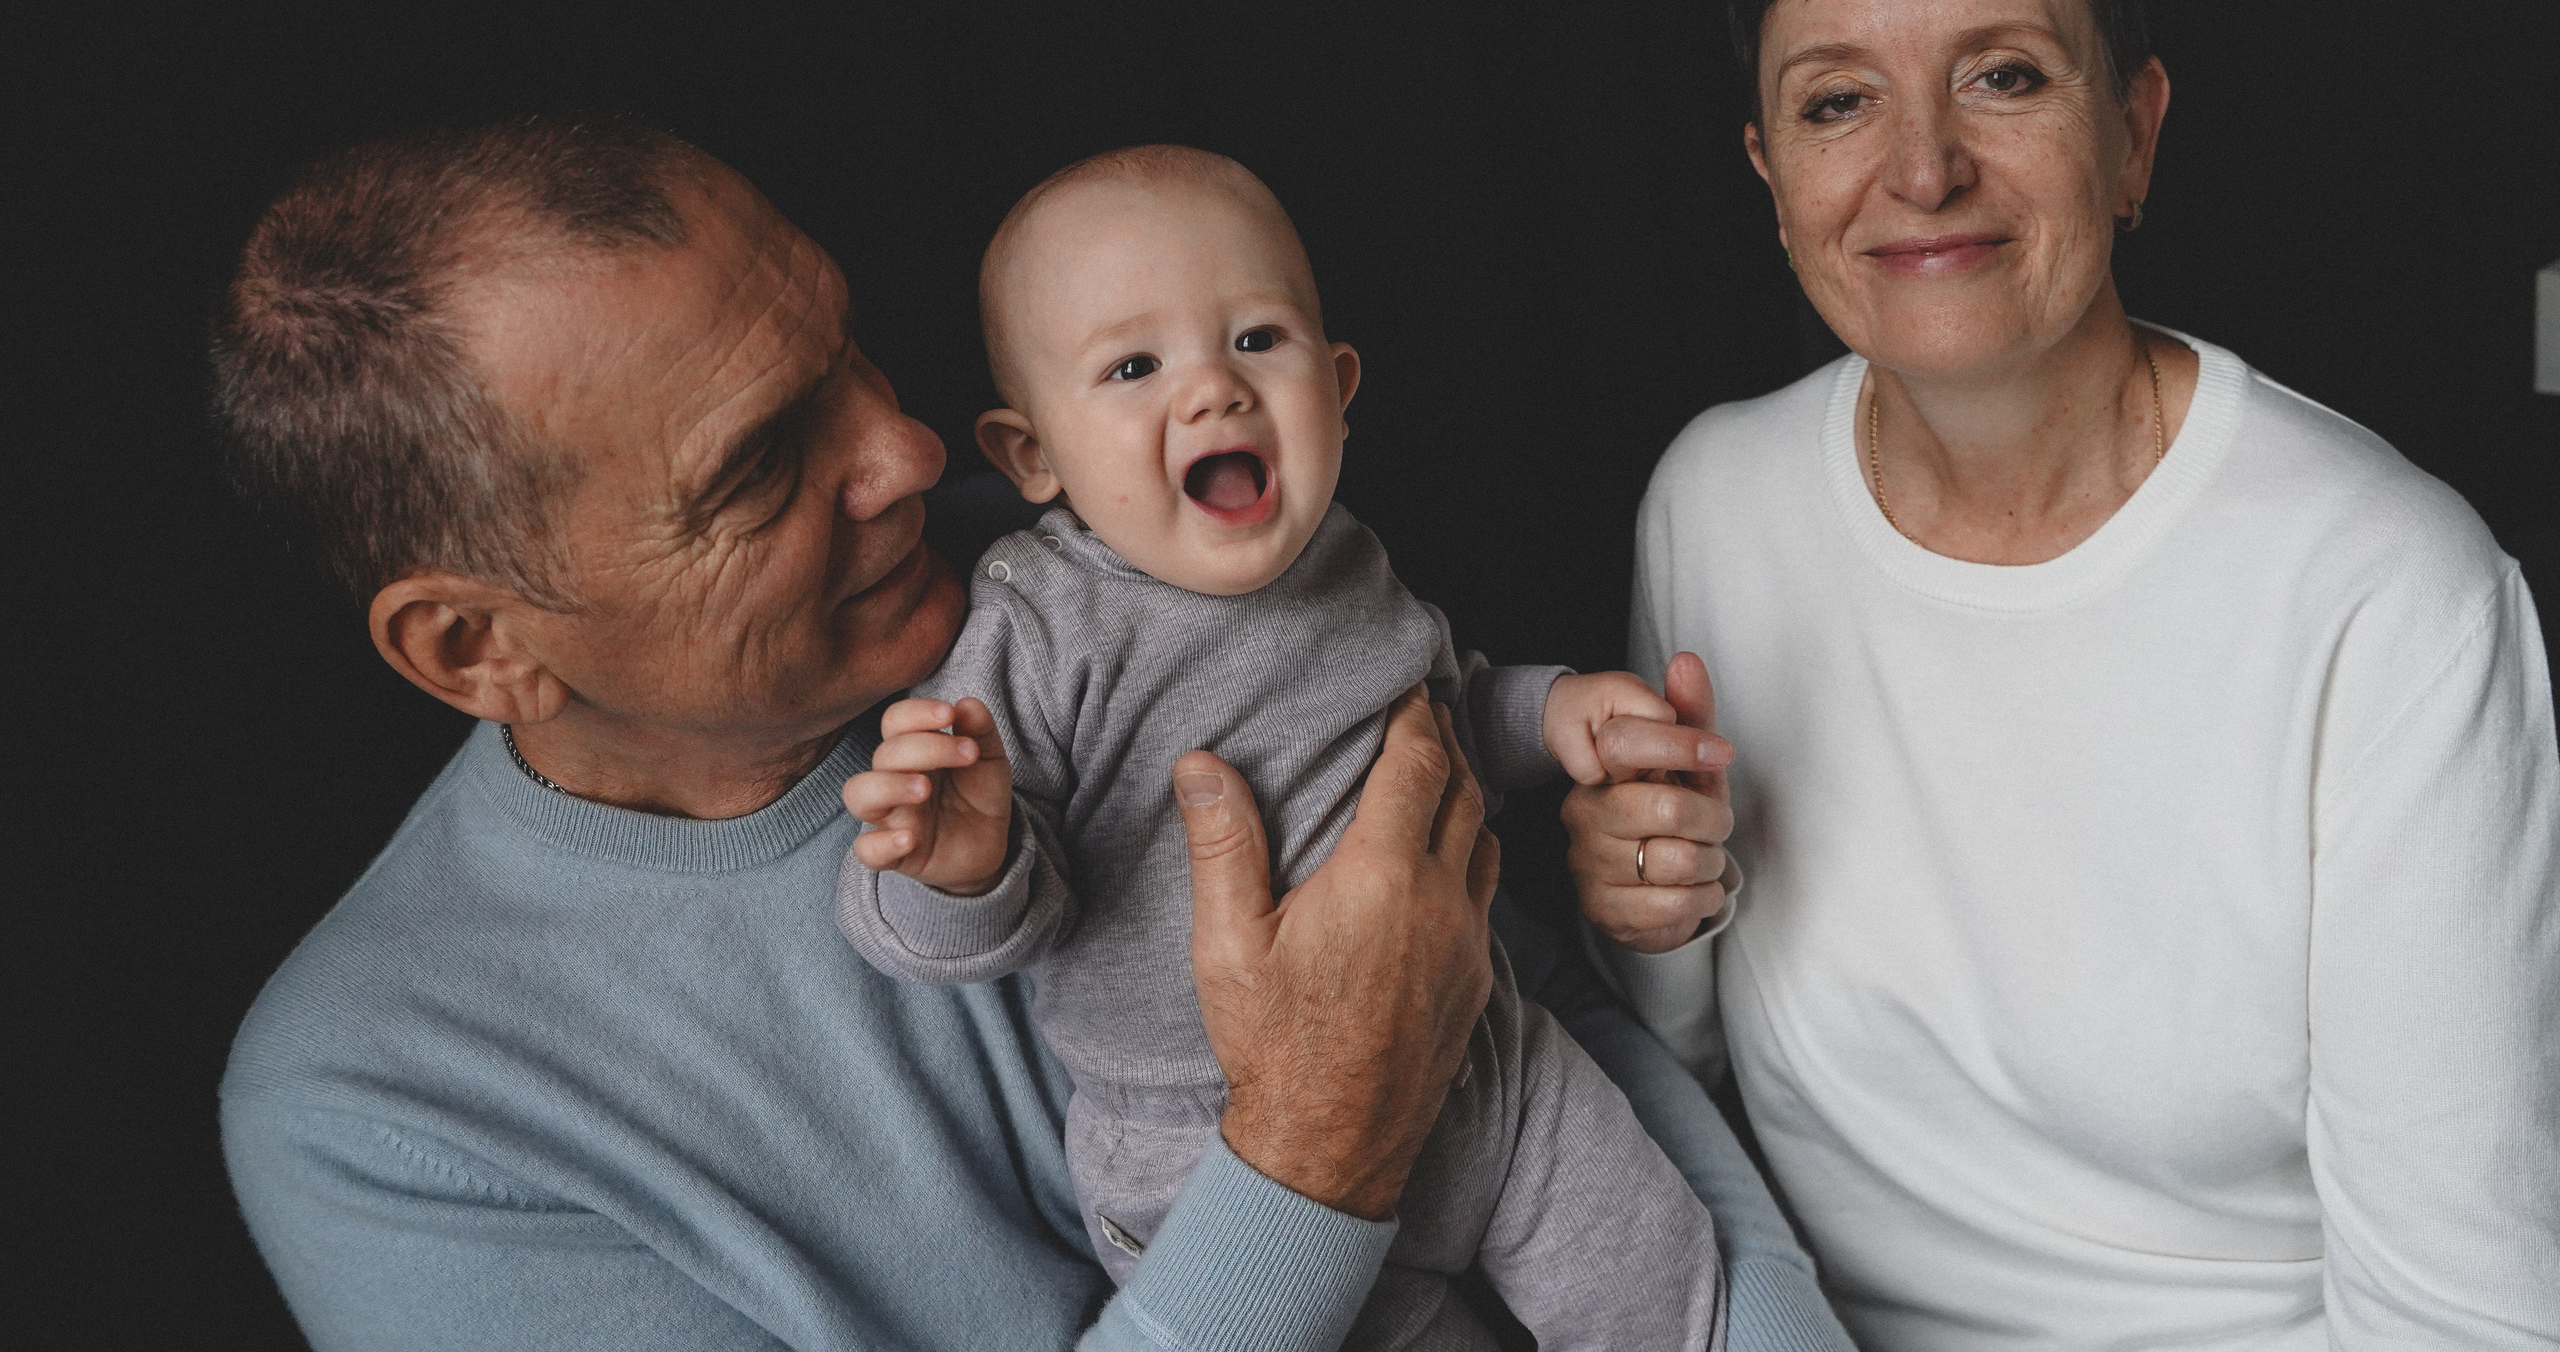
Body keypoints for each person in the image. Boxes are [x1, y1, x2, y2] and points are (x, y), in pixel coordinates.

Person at [212, 117, 1853, 1350]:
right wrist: (1310, 1149)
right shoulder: (387, 1112)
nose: (907, 450)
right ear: (476, 645)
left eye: (847, 349)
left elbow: (1534, 1005)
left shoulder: (1093, 567)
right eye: (762, 464)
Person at [1565, 0, 2560, 1349]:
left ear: (2134, 132)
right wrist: (1651, 911)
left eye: (2005, 76)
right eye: (1838, 102)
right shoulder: (1717, 499)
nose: (1921, 168)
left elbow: (2462, 1313)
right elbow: (1678, 1079)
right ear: (1768, 173)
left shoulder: (2392, 595)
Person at [837, 146, 1726, 1350]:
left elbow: (1439, 716)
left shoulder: (1344, 554)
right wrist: (959, 863)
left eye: (1257, 340)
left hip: (1486, 1064)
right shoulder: (1036, 630)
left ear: (1338, 388)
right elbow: (965, 929)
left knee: (1671, 1291)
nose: (1214, 391)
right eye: (1135, 366)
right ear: (1031, 456)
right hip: (1214, 1157)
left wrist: (1557, 717)